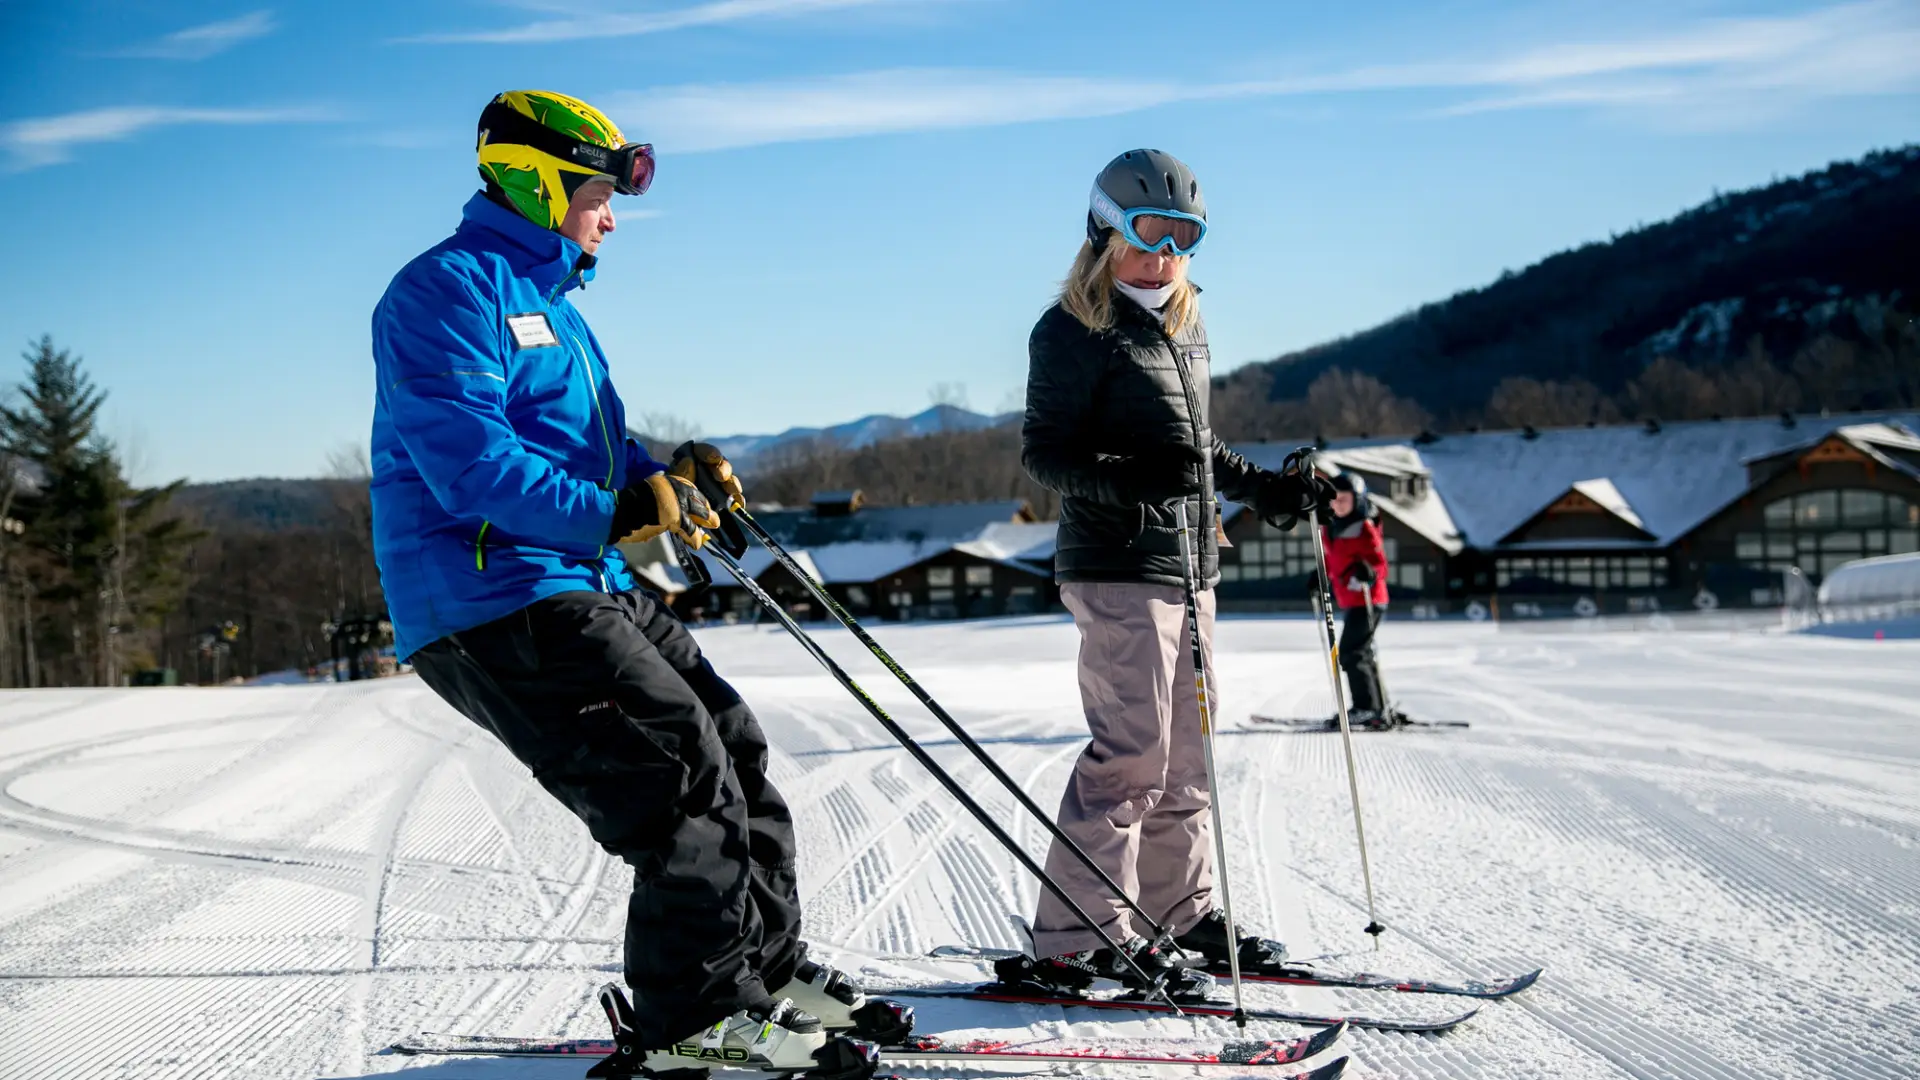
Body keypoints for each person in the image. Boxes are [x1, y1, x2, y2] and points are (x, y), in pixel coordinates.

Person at [368, 90, 901, 1080]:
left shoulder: (553, 304)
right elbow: (472, 468)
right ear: (538, 184)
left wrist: (668, 473)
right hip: (493, 593)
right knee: (675, 775)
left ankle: (760, 976)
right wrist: (618, 510)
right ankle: (692, 1020)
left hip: (579, 573)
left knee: (731, 744)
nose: (611, 218)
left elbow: (593, 448)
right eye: (599, 195)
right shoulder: (443, 292)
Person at [1012, 149, 1335, 991]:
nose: (1164, 256)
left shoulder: (1184, 324)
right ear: (1103, 230)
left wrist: (1263, 489)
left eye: (1183, 237)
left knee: (1187, 757)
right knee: (1133, 755)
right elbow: (1045, 453)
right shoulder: (1071, 329)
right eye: (1149, 233)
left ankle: (1177, 915)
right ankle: (1078, 936)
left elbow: (1196, 447)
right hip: (1117, 562)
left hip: (1191, 561)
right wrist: (1126, 481)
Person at [1321, 472, 1393, 727]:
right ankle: (1377, 706)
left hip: (1369, 599)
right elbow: (1332, 559)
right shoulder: (1330, 526)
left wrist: (1369, 572)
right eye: (1335, 499)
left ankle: (1366, 707)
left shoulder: (1363, 526)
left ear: (1358, 499)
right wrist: (1320, 576)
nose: (1339, 504)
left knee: (1353, 652)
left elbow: (1380, 564)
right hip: (1351, 599)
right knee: (1361, 651)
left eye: (1345, 499)